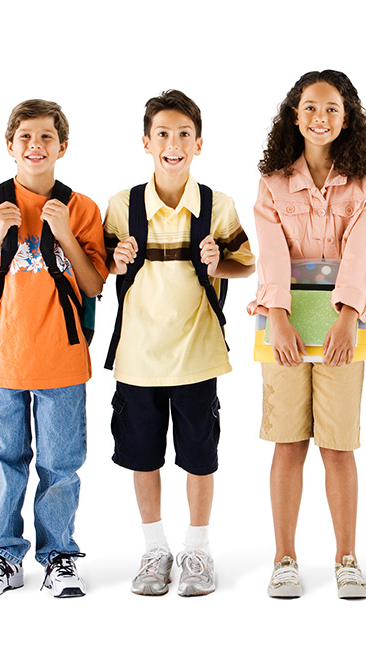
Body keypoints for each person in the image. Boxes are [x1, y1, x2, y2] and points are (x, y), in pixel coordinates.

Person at [0, 99, 107, 598]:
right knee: (1, 459)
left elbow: (94, 284)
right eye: (25, 137)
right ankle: (3, 554)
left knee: (61, 462)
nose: (35, 146)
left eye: (46, 137)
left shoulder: (79, 208)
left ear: (63, 146)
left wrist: (64, 234)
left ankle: (60, 555)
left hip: (60, 355)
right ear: (9, 145)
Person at [104, 90, 255, 597]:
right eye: (163, 134)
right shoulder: (123, 206)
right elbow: (101, 267)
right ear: (146, 143)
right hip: (138, 356)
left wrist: (218, 262)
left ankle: (197, 549)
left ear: (199, 143)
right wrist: (116, 259)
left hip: (197, 353)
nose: (174, 144)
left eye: (184, 134)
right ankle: (154, 550)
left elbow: (247, 262)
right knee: (143, 456)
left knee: (198, 456)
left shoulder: (217, 205)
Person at [248, 70, 366, 598]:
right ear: (294, 114)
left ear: (347, 116)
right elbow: (272, 252)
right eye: (310, 107)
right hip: (282, 324)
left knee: (337, 445)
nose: (320, 118)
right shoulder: (272, 182)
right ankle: (284, 558)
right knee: (288, 442)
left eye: (331, 108)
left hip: (341, 323)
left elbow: (359, 253)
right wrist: (278, 316)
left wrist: (349, 318)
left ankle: (347, 559)